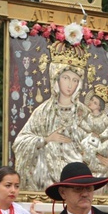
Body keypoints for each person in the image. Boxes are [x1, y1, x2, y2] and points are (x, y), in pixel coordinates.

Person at [12, 44, 94, 192]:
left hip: (78, 172)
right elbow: (20, 142)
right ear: (56, 78)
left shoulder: (85, 112)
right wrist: (46, 140)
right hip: (47, 174)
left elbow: (95, 141)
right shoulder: (44, 111)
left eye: (75, 80)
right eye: (66, 78)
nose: (70, 85)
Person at [80, 85, 108, 195]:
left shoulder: (104, 118)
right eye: (91, 100)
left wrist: (100, 136)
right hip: (91, 140)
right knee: (85, 147)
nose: (91, 103)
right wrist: (81, 121)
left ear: (99, 107)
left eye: (95, 102)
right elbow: (86, 127)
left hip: (103, 141)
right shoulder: (88, 117)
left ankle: (99, 169)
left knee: (99, 151)